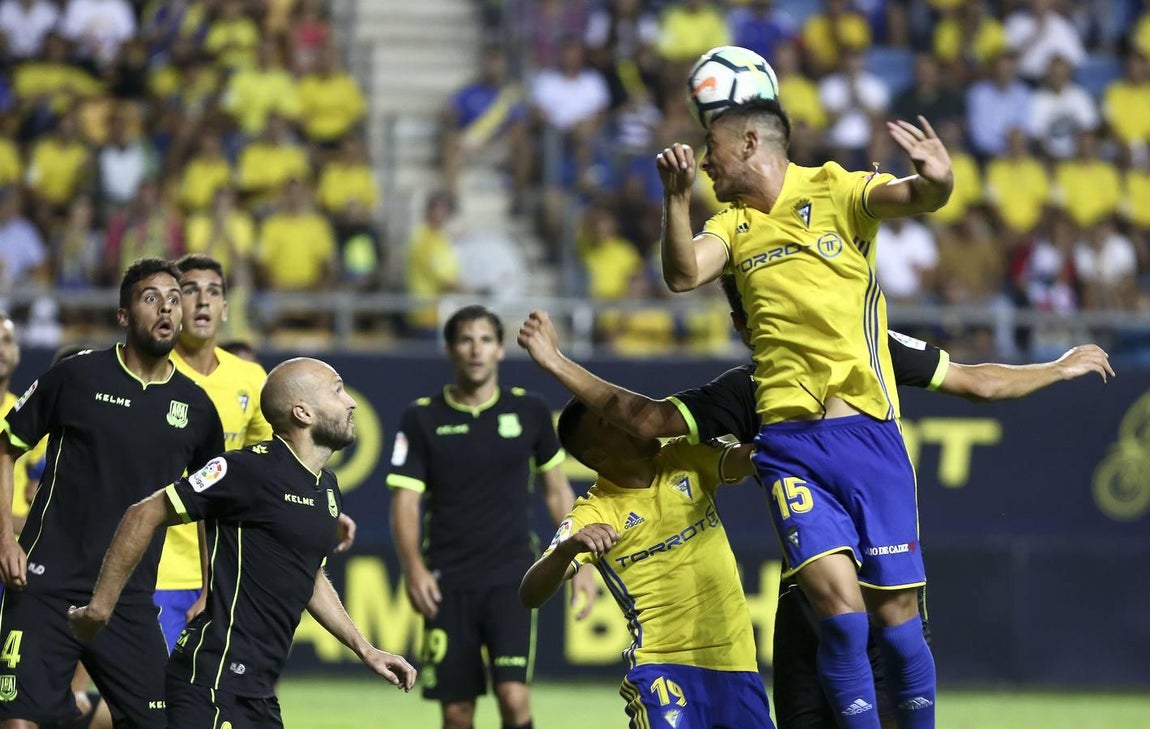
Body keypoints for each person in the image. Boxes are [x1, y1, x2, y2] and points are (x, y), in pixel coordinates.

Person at [517, 275, 1114, 729]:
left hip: (883, 591)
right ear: (745, 322)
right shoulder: (744, 389)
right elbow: (647, 421)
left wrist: (1056, 369)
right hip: (808, 601)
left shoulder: (872, 346)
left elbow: (978, 381)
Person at [658, 97, 952, 729]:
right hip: (789, 444)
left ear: (749, 144)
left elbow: (922, 198)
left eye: (712, 146)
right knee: (839, 619)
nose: (704, 159)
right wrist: (676, 199)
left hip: (867, 434)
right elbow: (683, 275)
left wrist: (938, 176)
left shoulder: (836, 187)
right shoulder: (731, 226)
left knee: (898, 626)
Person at [67, 358, 417, 728]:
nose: (351, 402)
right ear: (303, 412)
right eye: (337, 390)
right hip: (212, 682)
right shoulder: (245, 470)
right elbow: (144, 513)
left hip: (257, 690)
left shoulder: (326, 487)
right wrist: (100, 608)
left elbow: (309, 575)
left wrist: (365, 649)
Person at [0, 257, 225, 729]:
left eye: (173, 298)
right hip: (45, 585)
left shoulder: (198, 409)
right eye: (150, 298)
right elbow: (6, 448)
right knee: (20, 722)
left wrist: (210, 587)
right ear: (123, 316)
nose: (165, 307)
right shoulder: (77, 377)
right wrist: (4, 538)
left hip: (129, 600)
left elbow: (212, 506)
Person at [387, 305, 596, 729]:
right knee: (457, 711)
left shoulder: (530, 412)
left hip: (513, 578)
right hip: (448, 581)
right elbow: (405, 503)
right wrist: (413, 569)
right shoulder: (422, 417)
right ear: (450, 349)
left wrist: (582, 563)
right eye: (466, 339)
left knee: (514, 697)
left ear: (501, 350)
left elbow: (557, 491)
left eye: (485, 339)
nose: (476, 349)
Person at [520, 399, 775, 729]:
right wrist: (567, 549)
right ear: (597, 456)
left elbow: (753, 459)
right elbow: (530, 595)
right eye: (612, 423)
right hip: (663, 668)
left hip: (738, 665)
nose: (629, 419)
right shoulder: (594, 513)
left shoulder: (685, 457)